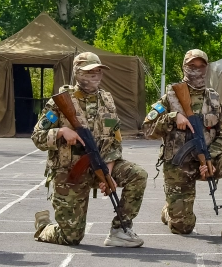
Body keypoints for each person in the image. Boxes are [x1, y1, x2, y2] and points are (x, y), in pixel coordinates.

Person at [32, 52, 147, 248]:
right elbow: (37, 137)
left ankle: (120, 230)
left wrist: (107, 172)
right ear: (77, 72)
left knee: (138, 175)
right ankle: (44, 226)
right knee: (71, 237)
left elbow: (114, 139)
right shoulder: (60, 102)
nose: (95, 75)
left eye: (98, 71)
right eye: (89, 71)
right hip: (69, 172)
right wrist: (61, 131)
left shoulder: (107, 100)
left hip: (100, 164)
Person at [144, 49, 222, 240]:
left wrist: (209, 159)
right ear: (184, 67)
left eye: (201, 66)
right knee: (183, 227)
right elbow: (147, 130)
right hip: (178, 165)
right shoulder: (170, 97)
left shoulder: (214, 99)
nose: (197, 70)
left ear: (206, 68)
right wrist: (172, 117)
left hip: (207, 160)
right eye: (192, 66)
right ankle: (169, 211)